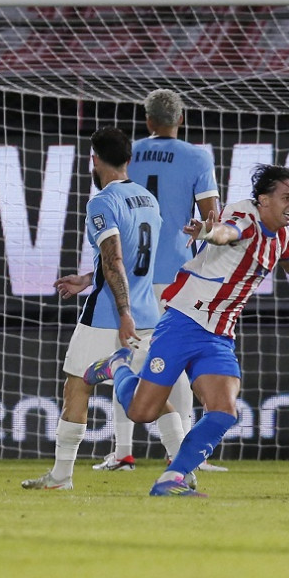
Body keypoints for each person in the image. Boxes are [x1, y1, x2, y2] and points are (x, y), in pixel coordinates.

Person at [87, 164, 289, 496]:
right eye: (286, 197)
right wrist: (207, 232)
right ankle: (118, 366)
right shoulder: (243, 217)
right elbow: (226, 233)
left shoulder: (280, 239)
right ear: (263, 200)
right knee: (141, 412)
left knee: (224, 411)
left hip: (218, 335)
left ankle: (171, 478)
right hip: (184, 322)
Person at [21, 126, 177, 491]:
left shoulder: (102, 202)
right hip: (148, 316)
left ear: (94, 160)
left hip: (109, 317)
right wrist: (88, 279)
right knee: (154, 395)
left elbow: (115, 259)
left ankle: (61, 476)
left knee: (77, 388)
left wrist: (122, 312)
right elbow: (137, 260)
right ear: (129, 158)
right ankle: (182, 469)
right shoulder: (147, 199)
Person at [93, 89, 221, 475]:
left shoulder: (128, 156)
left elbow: (110, 218)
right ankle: (180, 454)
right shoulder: (198, 156)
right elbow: (211, 221)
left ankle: (123, 452)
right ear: (181, 119)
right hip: (180, 278)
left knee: (125, 362)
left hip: (133, 278)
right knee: (176, 362)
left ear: (147, 120)